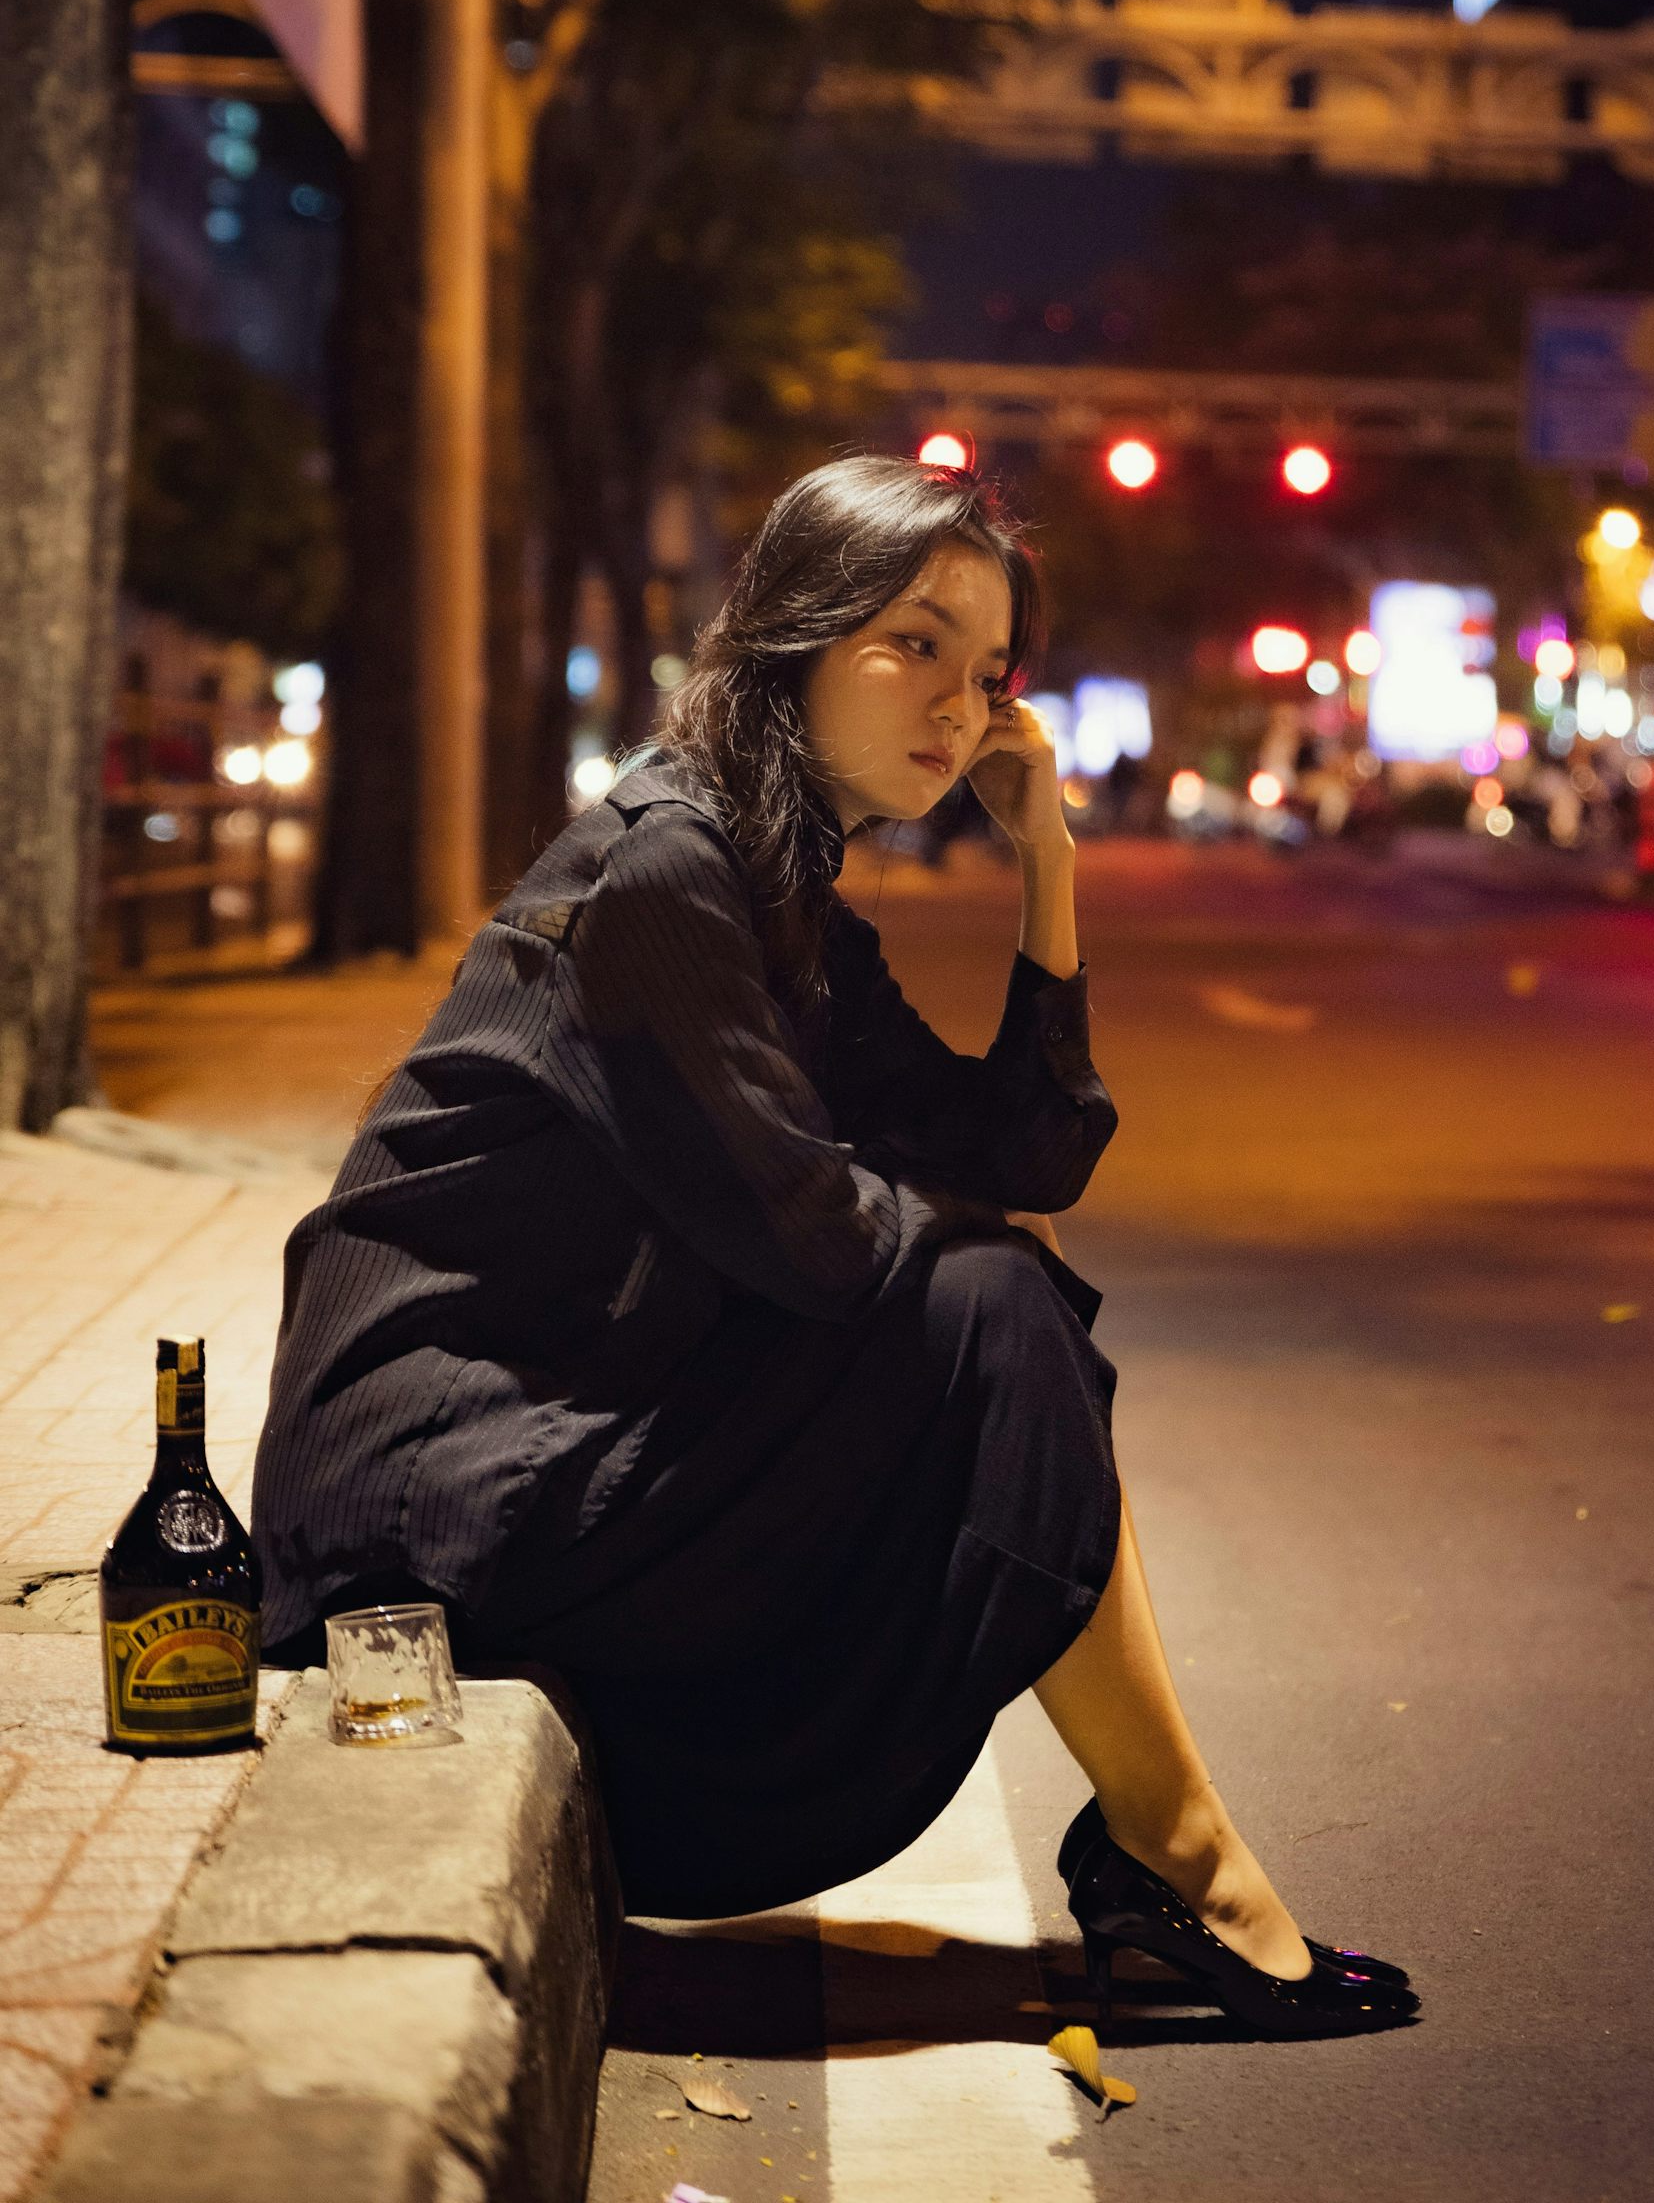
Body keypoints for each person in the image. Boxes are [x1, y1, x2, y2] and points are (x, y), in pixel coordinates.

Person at [252, 452, 1414, 2032]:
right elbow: (821, 1247)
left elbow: (1021, 1146)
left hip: (554, 1430)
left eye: (989, 669)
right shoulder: (665, 866)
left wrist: (1048, 870)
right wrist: (990, 1237)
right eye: (912, 642)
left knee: (1001, 1289)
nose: (957, 705)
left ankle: (1176, 1850)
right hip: (428, 1509)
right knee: (996, 1305)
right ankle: (1183, 1856)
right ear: (797, 635)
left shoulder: (772, 879)